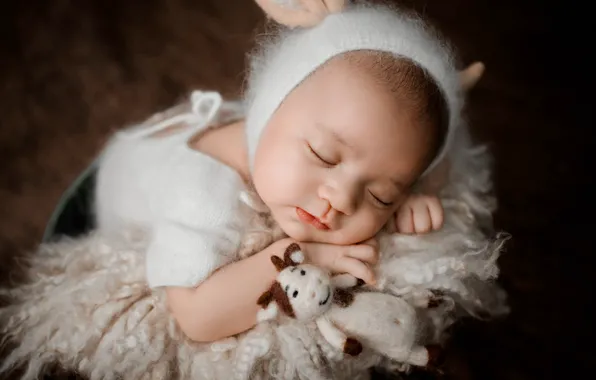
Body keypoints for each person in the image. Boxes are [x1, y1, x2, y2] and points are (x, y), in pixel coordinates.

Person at [94, 0, 479, 342]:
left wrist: (414, 196)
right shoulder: (201, 195)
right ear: (264, 110)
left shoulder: (297, 136)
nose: (342, 199)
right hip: (129, 172)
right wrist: (304, 255)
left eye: (380, 195)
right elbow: (196, 318)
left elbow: (415, 155)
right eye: (324, 155)